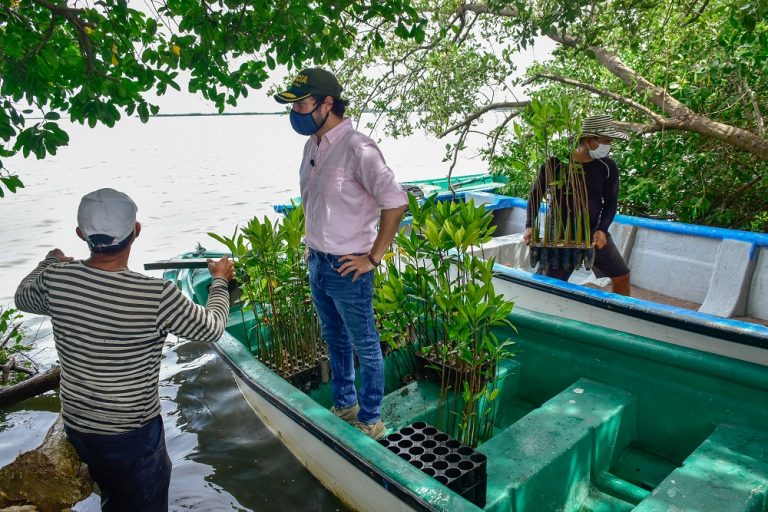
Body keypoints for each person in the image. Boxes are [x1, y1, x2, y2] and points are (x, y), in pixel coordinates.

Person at [14, 188, 234, 511]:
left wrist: (50, 260)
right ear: (136, 232)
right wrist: (219, 281)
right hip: (131, 437)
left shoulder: (56, 280)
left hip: (78, 426)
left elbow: (21, 296)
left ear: (81, 235)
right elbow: (212, 326)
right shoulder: (156, 294)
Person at [274, 68, 407, 439]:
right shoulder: (312, 145)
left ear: (326, 103)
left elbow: (395, 202)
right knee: (334, 339)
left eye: (301, 103)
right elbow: (313, 202)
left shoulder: (358, 148)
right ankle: (345, 403)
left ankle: (370, 418)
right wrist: (312, 245)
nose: (295, 111)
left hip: (350, 266)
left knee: (365, 343)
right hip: (318, 261)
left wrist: (373, 258)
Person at [523, 114, 631, 296]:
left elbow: (611, 203)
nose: (609, 146)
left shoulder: (607, 166)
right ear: (590, 139)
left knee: (622, 276)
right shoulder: (556, 163)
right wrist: (529, 226)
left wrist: (602, 229)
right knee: (549, 288)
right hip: (560, 237)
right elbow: (535, 196)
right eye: (606, 141)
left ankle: (618, 317)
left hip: (593, 234)